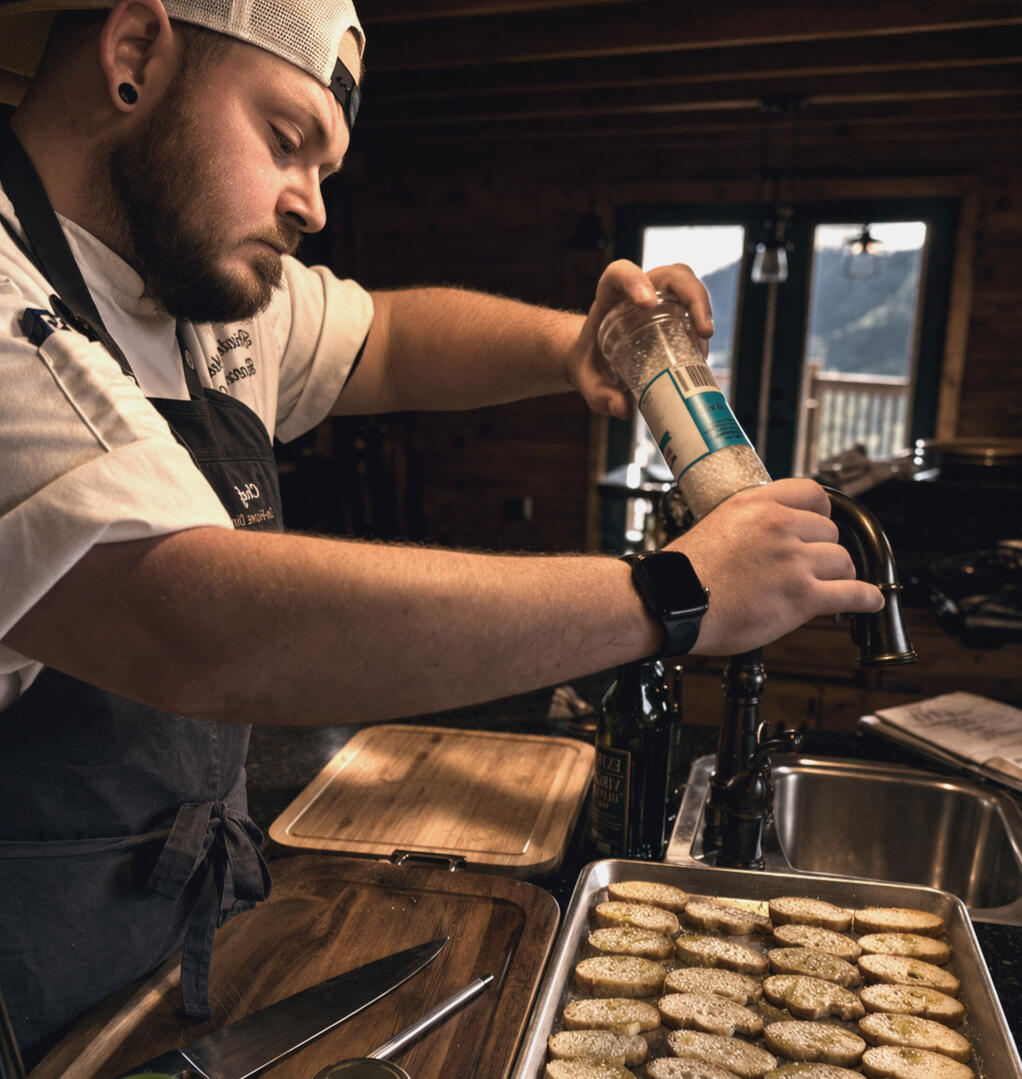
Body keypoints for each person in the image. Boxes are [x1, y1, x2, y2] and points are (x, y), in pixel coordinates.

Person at [0, 0, 884, 1059]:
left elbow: (387, 339)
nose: (313, 207)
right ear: (135, 55)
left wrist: (583, 344)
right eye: (288, 142)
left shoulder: (193, 292)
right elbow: (193, 623)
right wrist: (669, 593)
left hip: (167, 944)